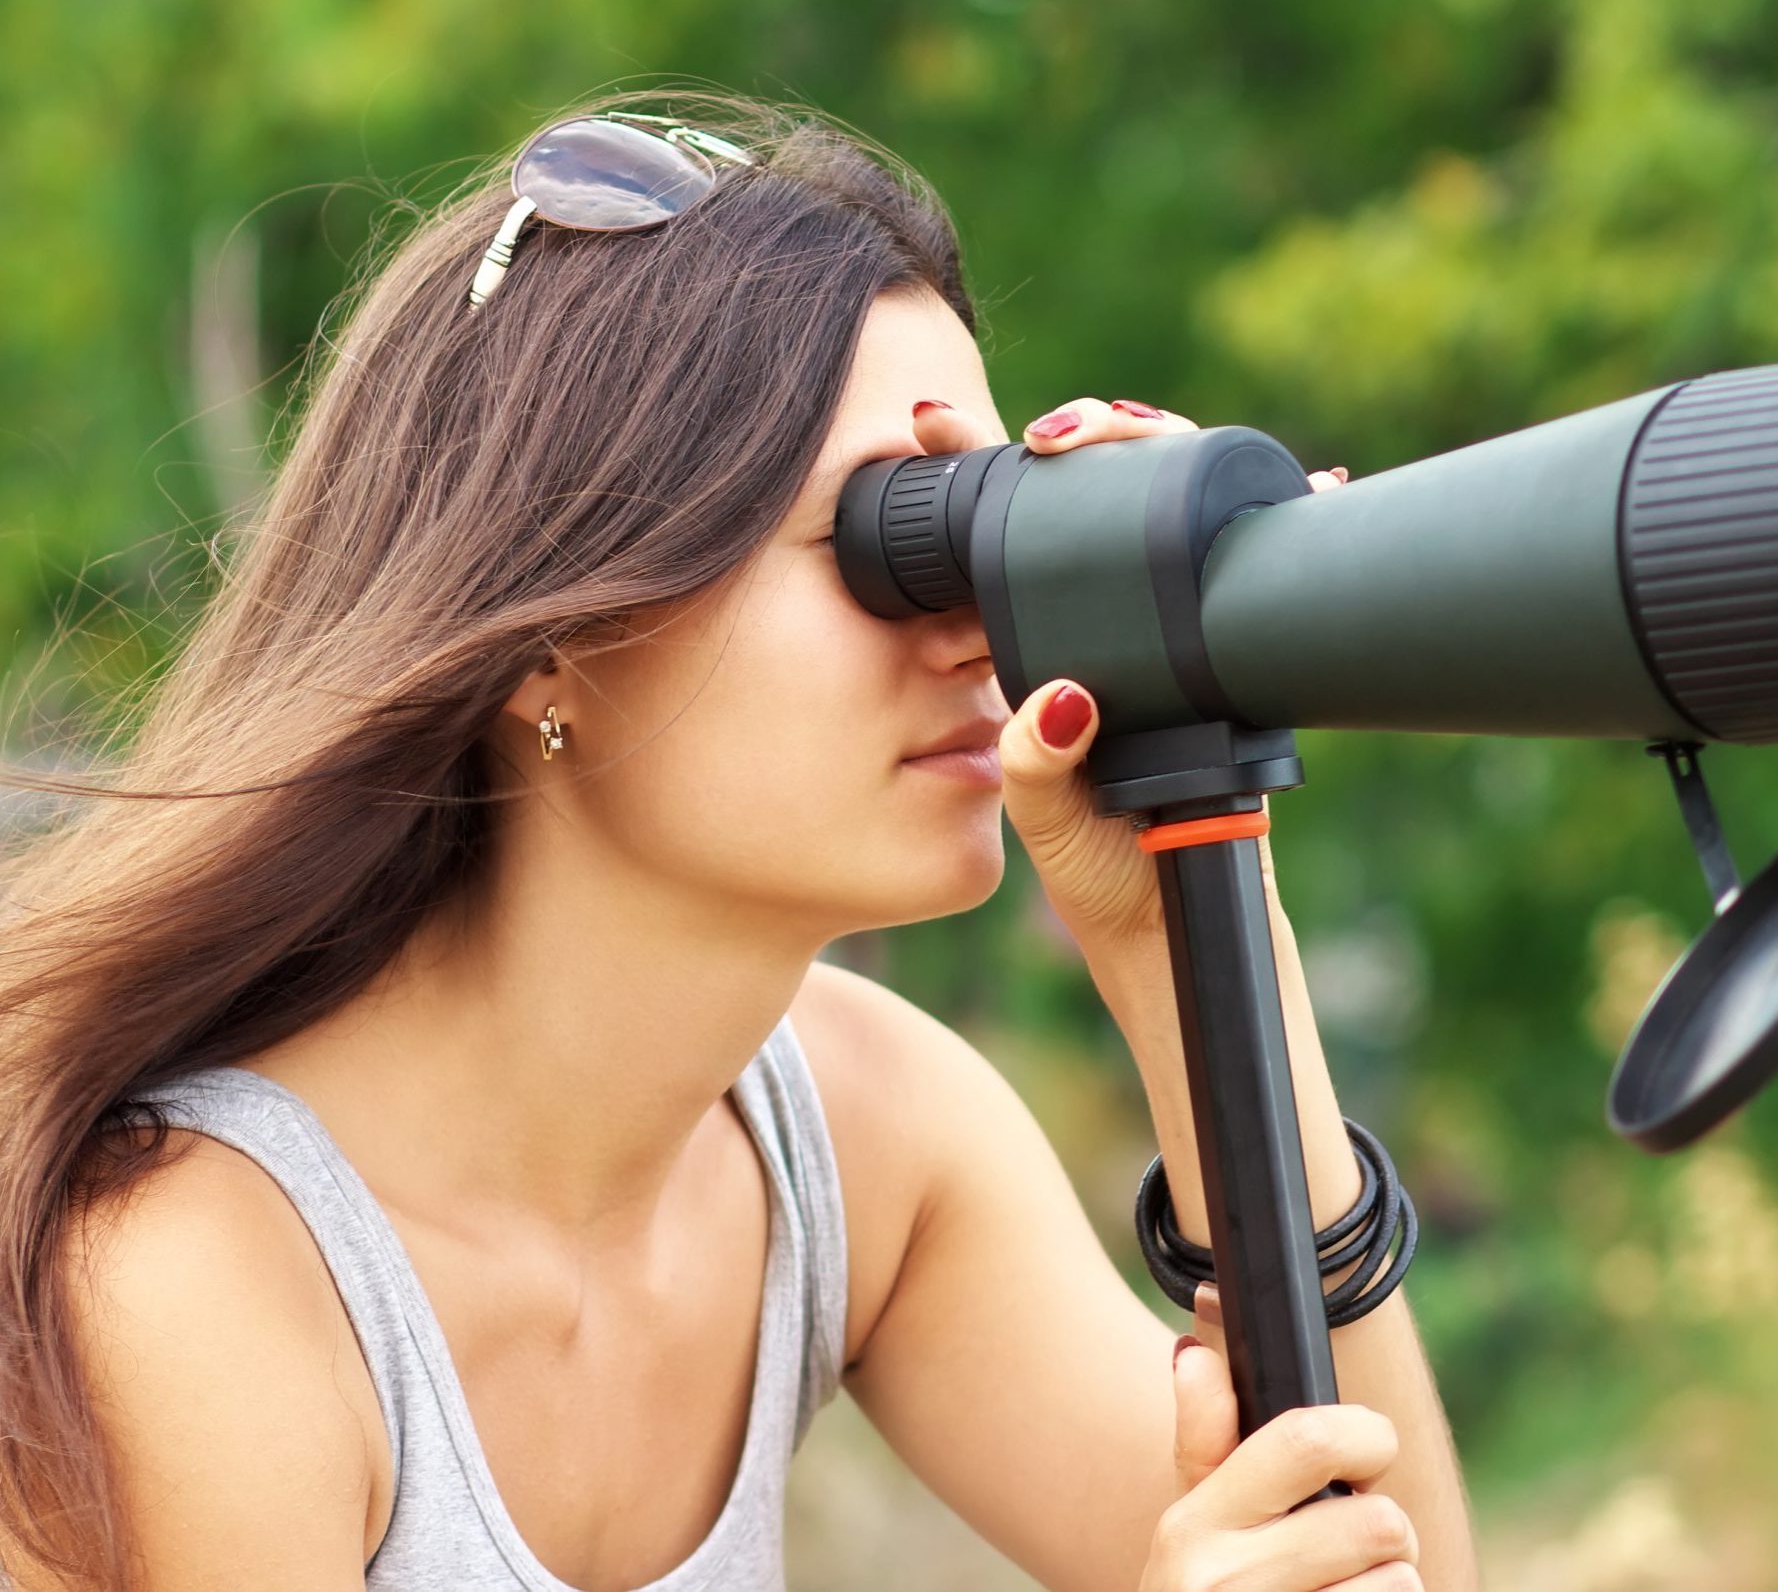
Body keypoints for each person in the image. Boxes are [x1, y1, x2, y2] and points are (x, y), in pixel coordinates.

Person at [0, 89, 1476, 1591]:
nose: (979, 629)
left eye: (991, 530)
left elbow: (1386, 1562)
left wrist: (1194, 922)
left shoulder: (860, 1128)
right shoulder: (195, 1286)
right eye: (890, 543)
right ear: (550, 644)